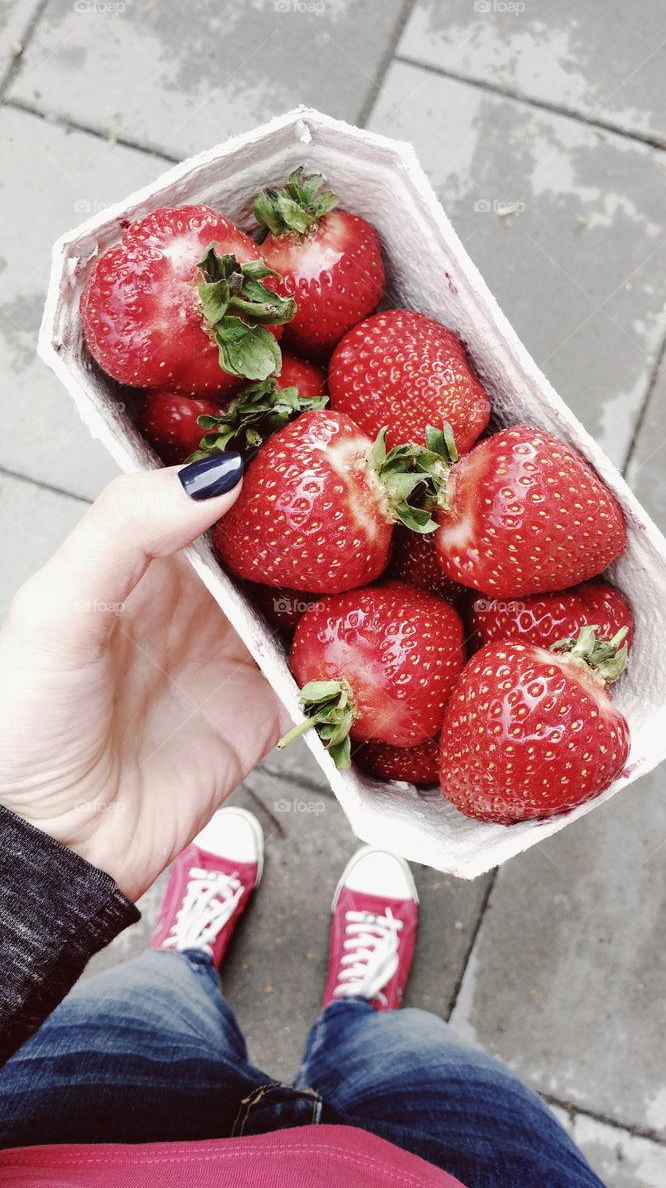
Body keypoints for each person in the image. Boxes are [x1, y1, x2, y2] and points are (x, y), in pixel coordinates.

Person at [0, 453, 605, 1187]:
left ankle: (189, 957)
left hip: (59, 1124)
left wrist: (41, 855)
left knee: (153, 994)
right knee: (405, 1046)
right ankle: (357, 1011)